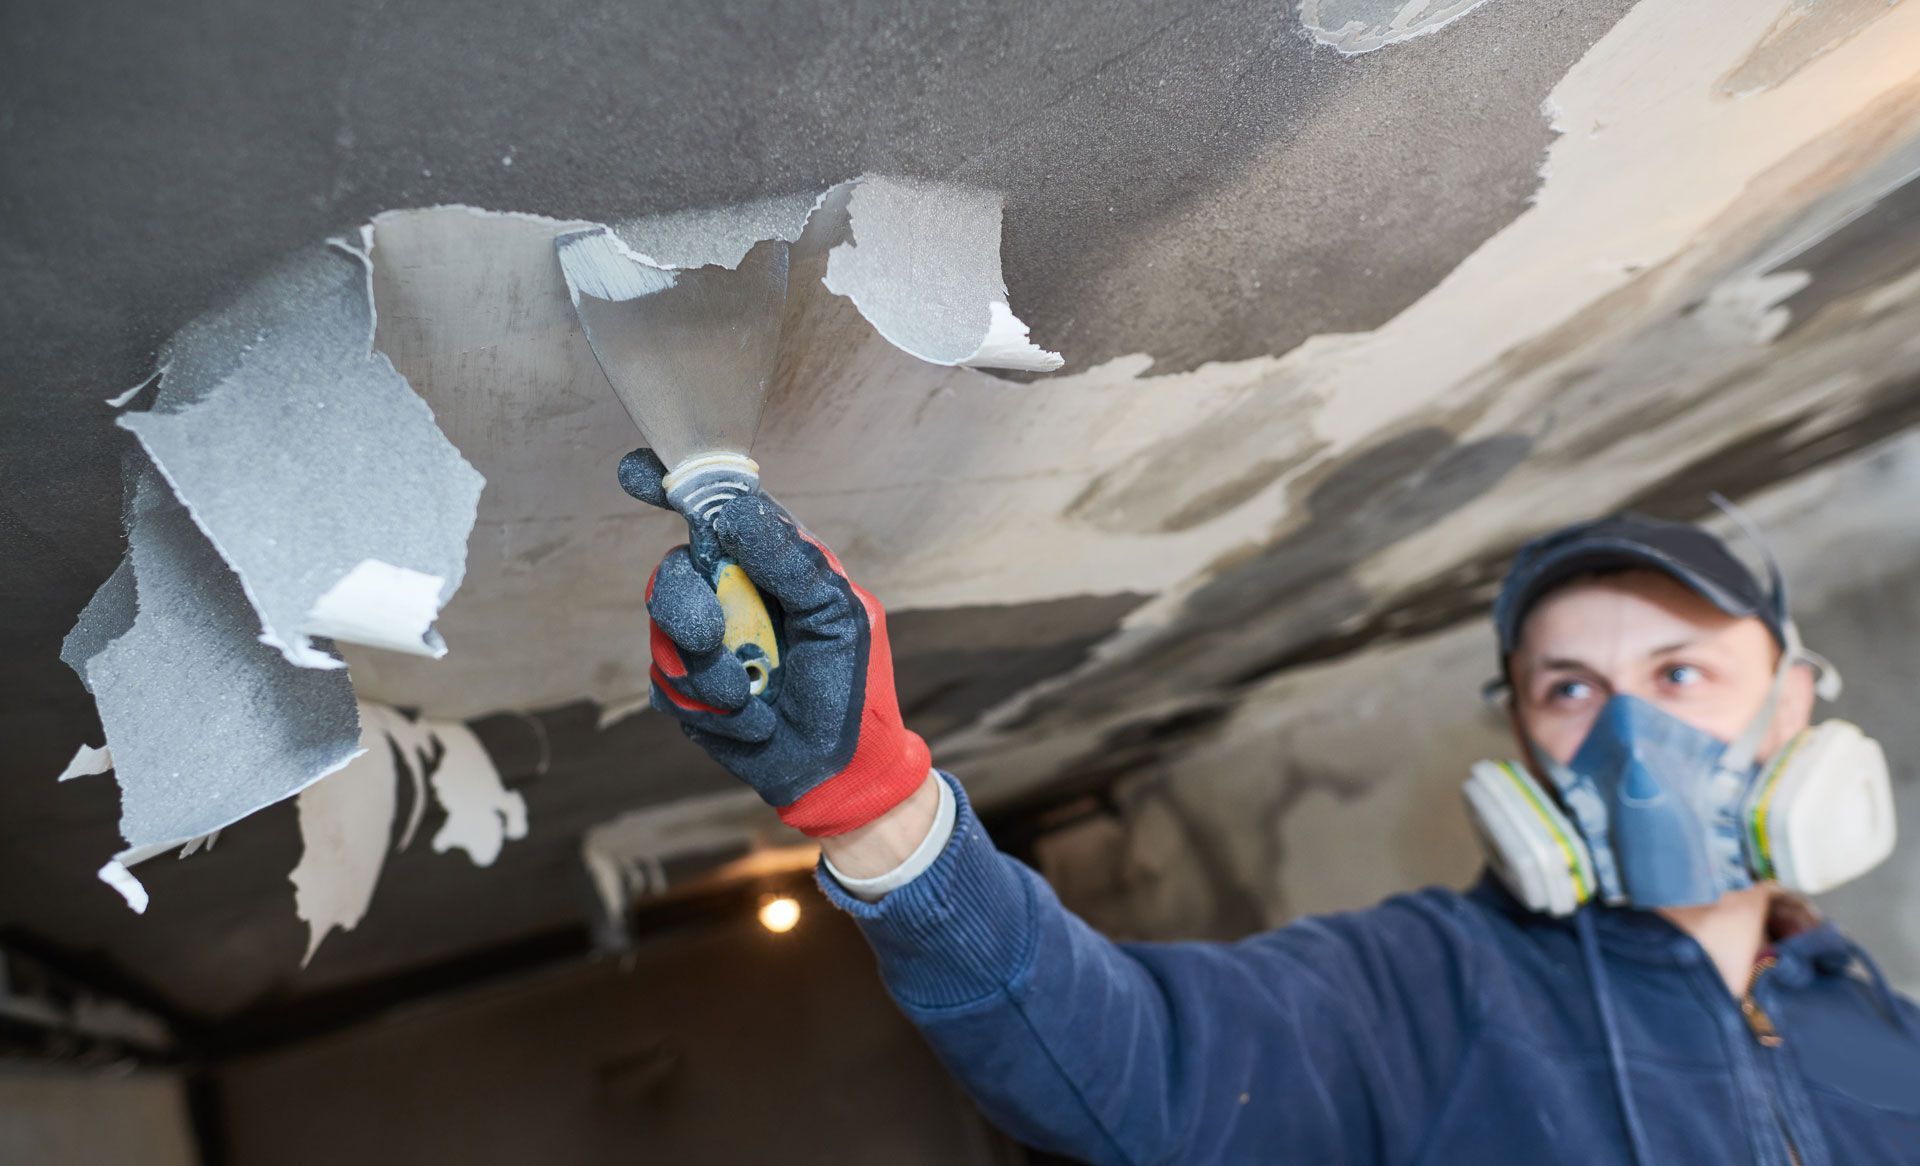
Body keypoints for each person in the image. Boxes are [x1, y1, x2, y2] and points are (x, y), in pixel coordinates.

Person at [621, 448, 1918, 1165]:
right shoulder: (1424, 990)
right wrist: (881, 811)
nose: (1626, 729)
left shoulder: (1888, 1036)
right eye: (1569, 685)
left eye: (1682, 672)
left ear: (1793, 704)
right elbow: (1135, 1067)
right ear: (1520, 730)